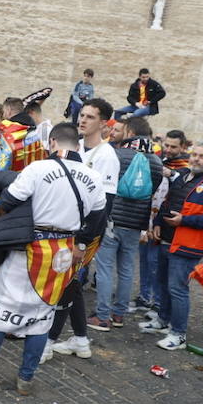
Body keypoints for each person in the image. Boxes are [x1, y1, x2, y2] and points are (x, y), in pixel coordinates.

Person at [0, 122, 106, 395]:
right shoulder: (93, 177)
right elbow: (97, 218)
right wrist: (79, 242)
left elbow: (8, 200)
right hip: (64, 252)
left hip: (30, 249)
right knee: (42, 316)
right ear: (77, 146)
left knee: (2, 308)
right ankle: (26, 379)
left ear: (53, 142)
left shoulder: (38, 168)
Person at [139, 141, 203, 350]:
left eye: (202, 156)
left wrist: (185, 221)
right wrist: (159, 222)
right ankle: (163, 320)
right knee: (162, 283)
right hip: (167, 240)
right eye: (194, 154)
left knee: (177, 289)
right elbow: (168, 203)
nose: (196, 159)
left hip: (188, 244)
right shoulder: (182, 175)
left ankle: (178, 334)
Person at [47, 98, 118, 358]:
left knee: (66, 282)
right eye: (82, 115)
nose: (83, 120)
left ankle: (47, 341)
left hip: (85, 234)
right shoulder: (79, 150)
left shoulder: (106, 155)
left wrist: (82, 242)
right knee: (71, 284)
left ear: (103, 123)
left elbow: (105, 206)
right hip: (68, 229)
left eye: (89, 117)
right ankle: (80, 339)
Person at [89, 117, 164, 329]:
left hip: (113, 219)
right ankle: (119, 314)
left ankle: (102, 316)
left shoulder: (116, 155)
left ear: (130, 132)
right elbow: (152, 191)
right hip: (136, 223)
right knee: (127, 269)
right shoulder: (156, 162)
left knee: (104, 268)